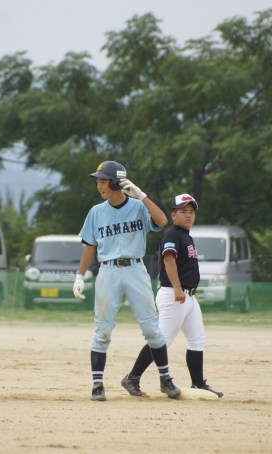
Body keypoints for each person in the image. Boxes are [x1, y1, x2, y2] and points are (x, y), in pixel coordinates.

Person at [74, 161, 181, 401]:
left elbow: (162, 221)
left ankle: (165, 379)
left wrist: (141, 196)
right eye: (98, 181)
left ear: (116, 182)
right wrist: (79, 275)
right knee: (102, 331)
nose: (99, 186)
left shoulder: (138, 206)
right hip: (108, 271)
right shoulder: (96, 212)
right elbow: (89, 246)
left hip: (135, 269)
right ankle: (97, 385)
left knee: (152, 328)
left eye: (103, 181)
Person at [121, 194, 223, 398]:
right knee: (162, 340)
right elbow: (169, 261)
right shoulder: (172, 235)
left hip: (188, 297)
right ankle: (132, 378)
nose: (188, 215)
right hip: (173, 294)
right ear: (173, 215)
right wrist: (177, 288)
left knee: (197, 340)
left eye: (191, 212)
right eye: (183, 212)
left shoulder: (186, 236)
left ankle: (198, 384)